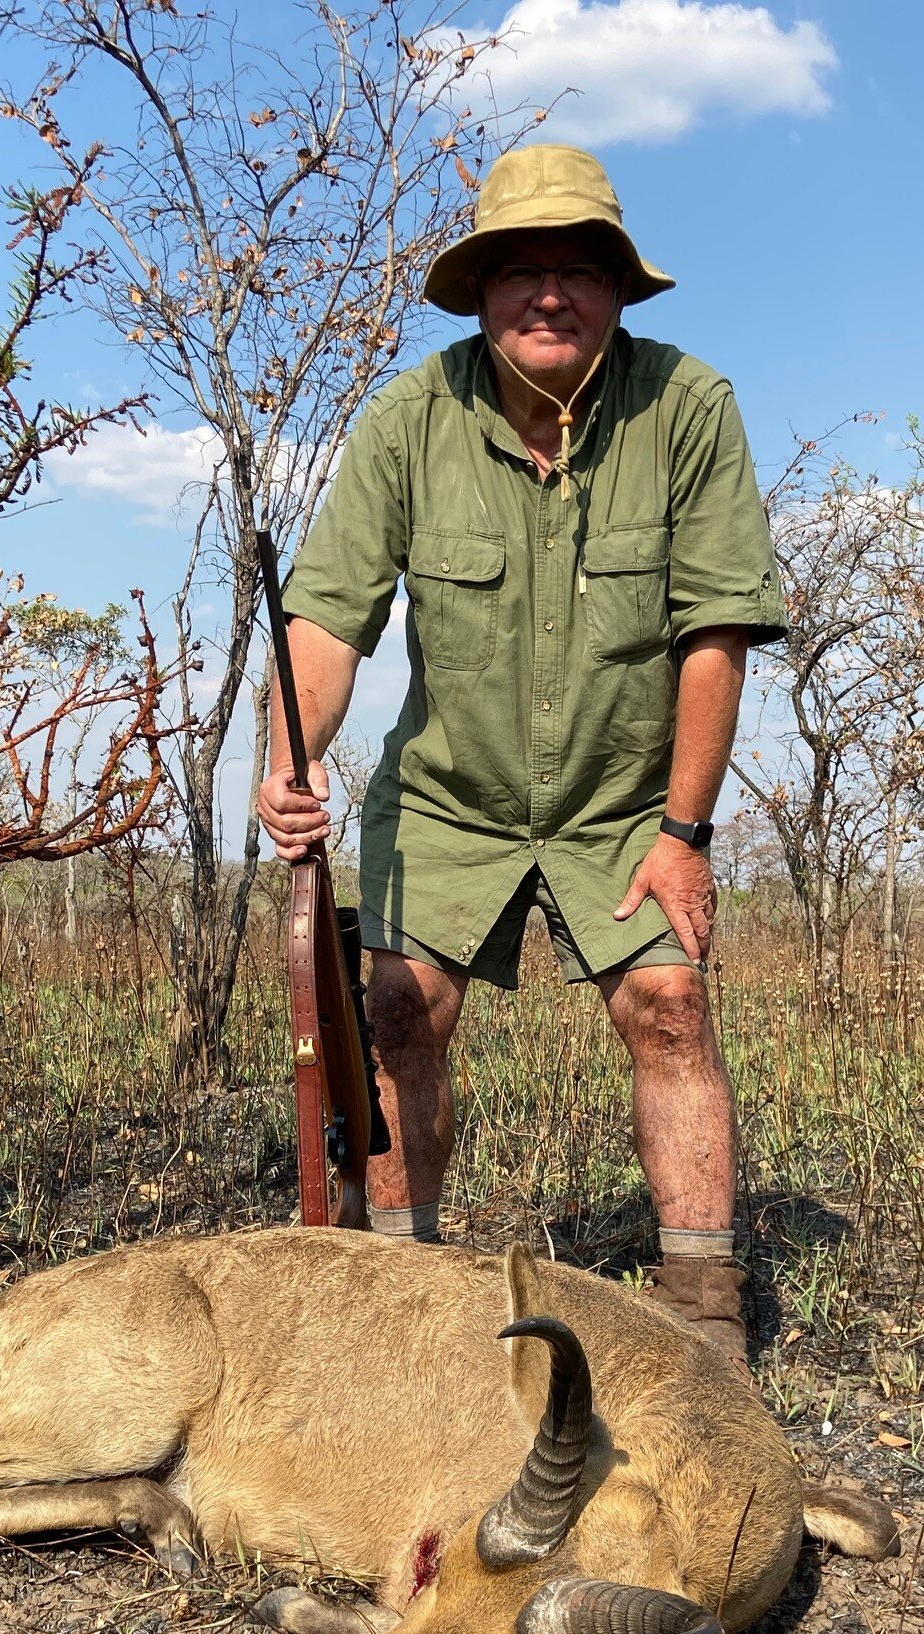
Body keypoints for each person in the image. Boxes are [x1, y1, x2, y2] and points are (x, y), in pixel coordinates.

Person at [257, 144, 786, 1372]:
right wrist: (292, 761)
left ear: (617, 287)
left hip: (627, 798)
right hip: (452, 795)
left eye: (578, 268)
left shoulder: (689, 407)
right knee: (397, 1012)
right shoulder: (409, 415)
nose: (549, 293)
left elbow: (717, 636)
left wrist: (684, 833)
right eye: (520, 270)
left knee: (671, 1007)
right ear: (480, 289)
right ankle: (400, 1286)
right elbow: (329, 620)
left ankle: (705, 1305)